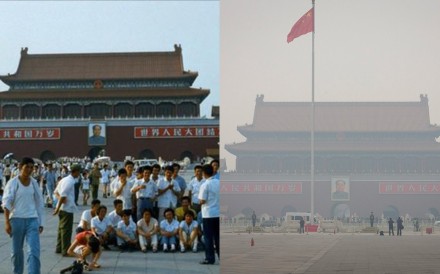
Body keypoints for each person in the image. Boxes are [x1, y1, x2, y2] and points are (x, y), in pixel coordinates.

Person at [2, 157, 45, 274]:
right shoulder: (13, 183)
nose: (30, 170)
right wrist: (6, 222)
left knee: (34, 251)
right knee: (17, 252)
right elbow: (6, 203)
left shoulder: (34, 183)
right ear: (21, 167)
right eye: (27, 167)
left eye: (32, 167)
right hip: (16, 220)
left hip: (32, 220)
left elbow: (39, 203)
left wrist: (41, 222)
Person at [53, 164, 82, 256]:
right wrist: (57, 208)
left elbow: (56, 192)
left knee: (61, 229)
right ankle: (65, 250)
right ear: (75, 171)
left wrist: (59, 203)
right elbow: (63, 195)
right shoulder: (69, 182)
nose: (79, 174)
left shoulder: (64, 179)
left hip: (63, 208)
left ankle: (59, 247)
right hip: (67, 209)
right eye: (79, 172)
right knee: (66, 230)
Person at [198, 164, 220, 265]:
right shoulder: (219, 182)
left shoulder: (205, 184)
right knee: (218, 236)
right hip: (218, 212)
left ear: (204, 173)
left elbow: (202, 200)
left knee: (208, 237)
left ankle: (210, 258)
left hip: (208, 214)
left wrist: (199, 202)